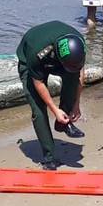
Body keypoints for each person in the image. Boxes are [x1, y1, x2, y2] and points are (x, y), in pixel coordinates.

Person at [17, 21, 86, 170]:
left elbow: (79, 74)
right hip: (31, 63)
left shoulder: (79, 43)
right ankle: (50, 157)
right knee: (39, 110)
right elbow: (39, 83)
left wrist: (76, 105)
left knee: (72, 78)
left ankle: (64, 123)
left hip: (60, 60)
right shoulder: (38, 52)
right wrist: (54, 109)